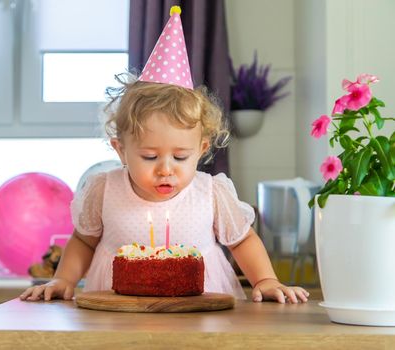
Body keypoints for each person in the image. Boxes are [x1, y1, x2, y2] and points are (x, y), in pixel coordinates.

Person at [20, 6, 309, 304]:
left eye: (181, 157)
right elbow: (83, 241)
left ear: (202, 150)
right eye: (149, 156)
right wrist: (64, 279)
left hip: (198, 310)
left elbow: (243, 240)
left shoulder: (211, 193)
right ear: (120, 150)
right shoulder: (104, 190)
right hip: (117, 311)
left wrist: (266, 279)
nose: (165, 169)